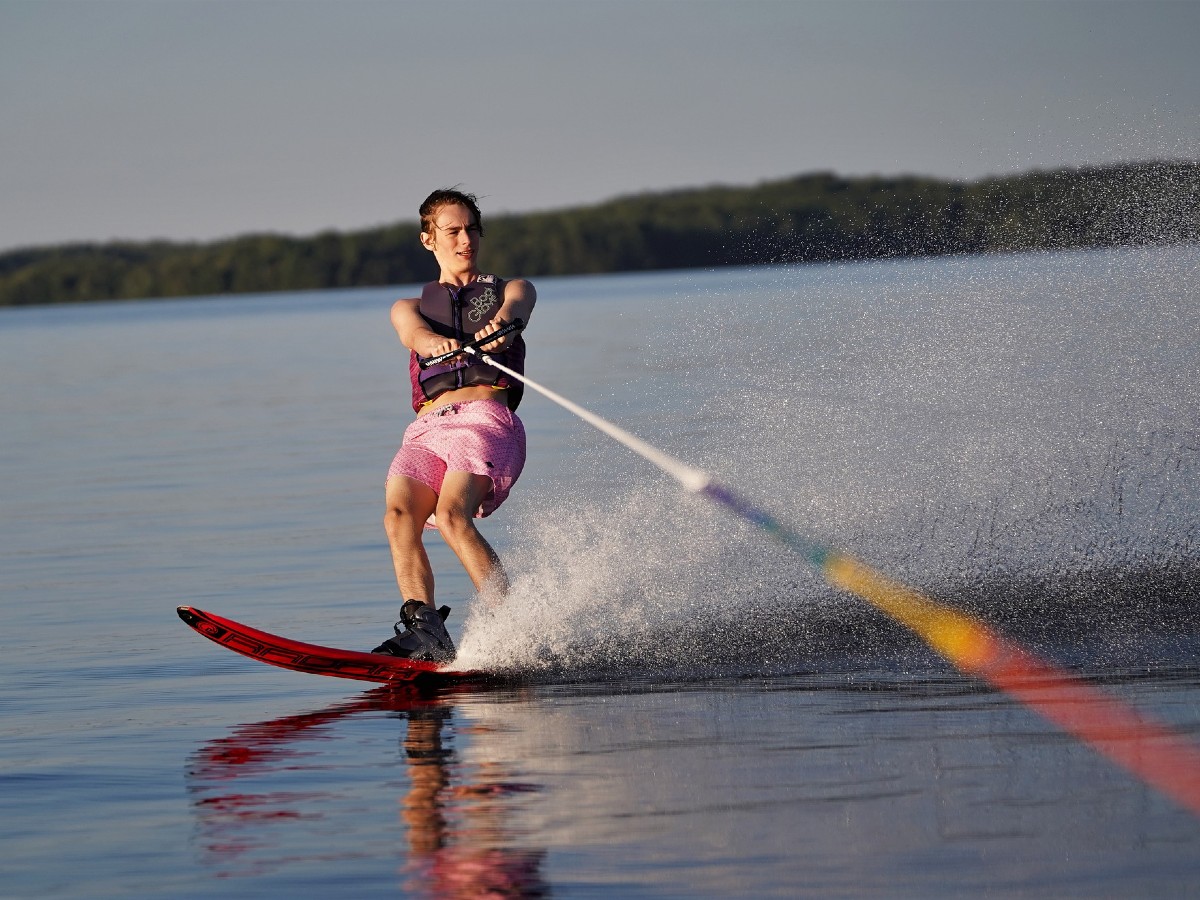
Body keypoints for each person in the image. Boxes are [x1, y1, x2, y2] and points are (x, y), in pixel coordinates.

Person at [373, 189, 535, 662]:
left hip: (486, 419)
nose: (465, 239)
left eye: (471, 229)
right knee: (399, 517)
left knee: (450, 517)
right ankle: (426, 633)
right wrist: (435, 345)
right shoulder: (409, 307)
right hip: (428, 429)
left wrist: (501, 324)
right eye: (453, 231)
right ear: (429, 240)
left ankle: (515, 629)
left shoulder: (513, 290)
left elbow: (517, 309)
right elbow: (414, 335)